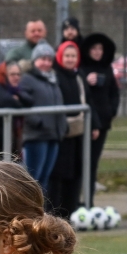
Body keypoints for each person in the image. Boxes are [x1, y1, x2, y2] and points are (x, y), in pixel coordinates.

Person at [46, 40, 88, 217]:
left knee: (75, 174)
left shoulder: (78, 77)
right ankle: (55, 214)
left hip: (77, 135)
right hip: (60, 134)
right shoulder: (55, 77)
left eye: (73, 56)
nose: (70, 59)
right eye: (67, 56)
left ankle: (71, 212)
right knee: (57, 176)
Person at [16, 43, 64, 195]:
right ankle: (28, 208)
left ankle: (40, 209)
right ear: (34, 60)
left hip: (53, 135)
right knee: (32, 179)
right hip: (36, 136)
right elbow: (23, 104)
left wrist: (62, 126)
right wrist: (37, 122)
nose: (46, 63)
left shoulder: (52, 80)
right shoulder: (27, 79)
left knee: (44, 179)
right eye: (43, 59)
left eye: (49, 60)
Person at [79, 33, 120, 185]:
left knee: (94, 161)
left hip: (103, 121)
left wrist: (111, 111)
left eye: (100, 49)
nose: (97, 52)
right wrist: (86, 81)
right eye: (94, 48)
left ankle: (90, 193)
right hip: (85, 122)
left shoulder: (107, 69)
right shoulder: (82, 69)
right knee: (83, 160)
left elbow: (114, 92)